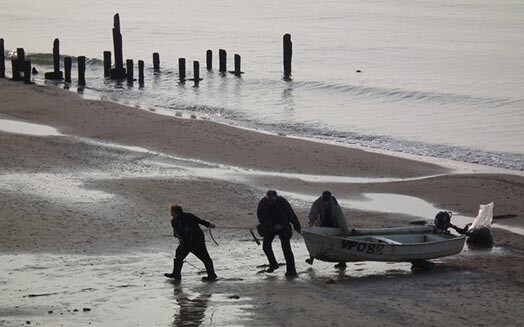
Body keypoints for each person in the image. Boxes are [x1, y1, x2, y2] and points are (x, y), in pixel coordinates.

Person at [164, 204, 217, 282]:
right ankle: (176, 274)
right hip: (190, 241)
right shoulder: (178, 220)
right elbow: (176, 233)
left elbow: (199, 221)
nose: (171, 213)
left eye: (171, 211)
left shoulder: (183, 218)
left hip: (194, 241)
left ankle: (211, 275)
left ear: (175, 212)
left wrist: (209, 225)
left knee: (204, 257)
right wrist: (209, 224)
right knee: (179, 254)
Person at [257, 190, 301, 277]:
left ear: (276, 198)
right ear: (266, 198)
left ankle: (291, 270)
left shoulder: (283, 202)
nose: (270, 202)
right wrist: (272, 226)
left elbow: (291, 215)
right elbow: (261, 217)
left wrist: (297, 226)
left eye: (272, 200)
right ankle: (273, 264)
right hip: (270, 227)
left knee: (286, 249)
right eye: (268, 200)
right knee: (266, 246)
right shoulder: (262, 203)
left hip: (283, 226)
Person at [307, 191, 350, 269]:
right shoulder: (317, 203)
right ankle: (311, 258)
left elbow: (341, 219)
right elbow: (312, 215)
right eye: (324, 202)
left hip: (334, 224)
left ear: (330, 199)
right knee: (315, 240)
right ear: (322, 199)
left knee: (339, 243)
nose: (325, 204)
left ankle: (342, 262)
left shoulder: (335, 205)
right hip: (322, 224)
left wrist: (346, 234)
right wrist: (310, 223)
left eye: (327, 202)